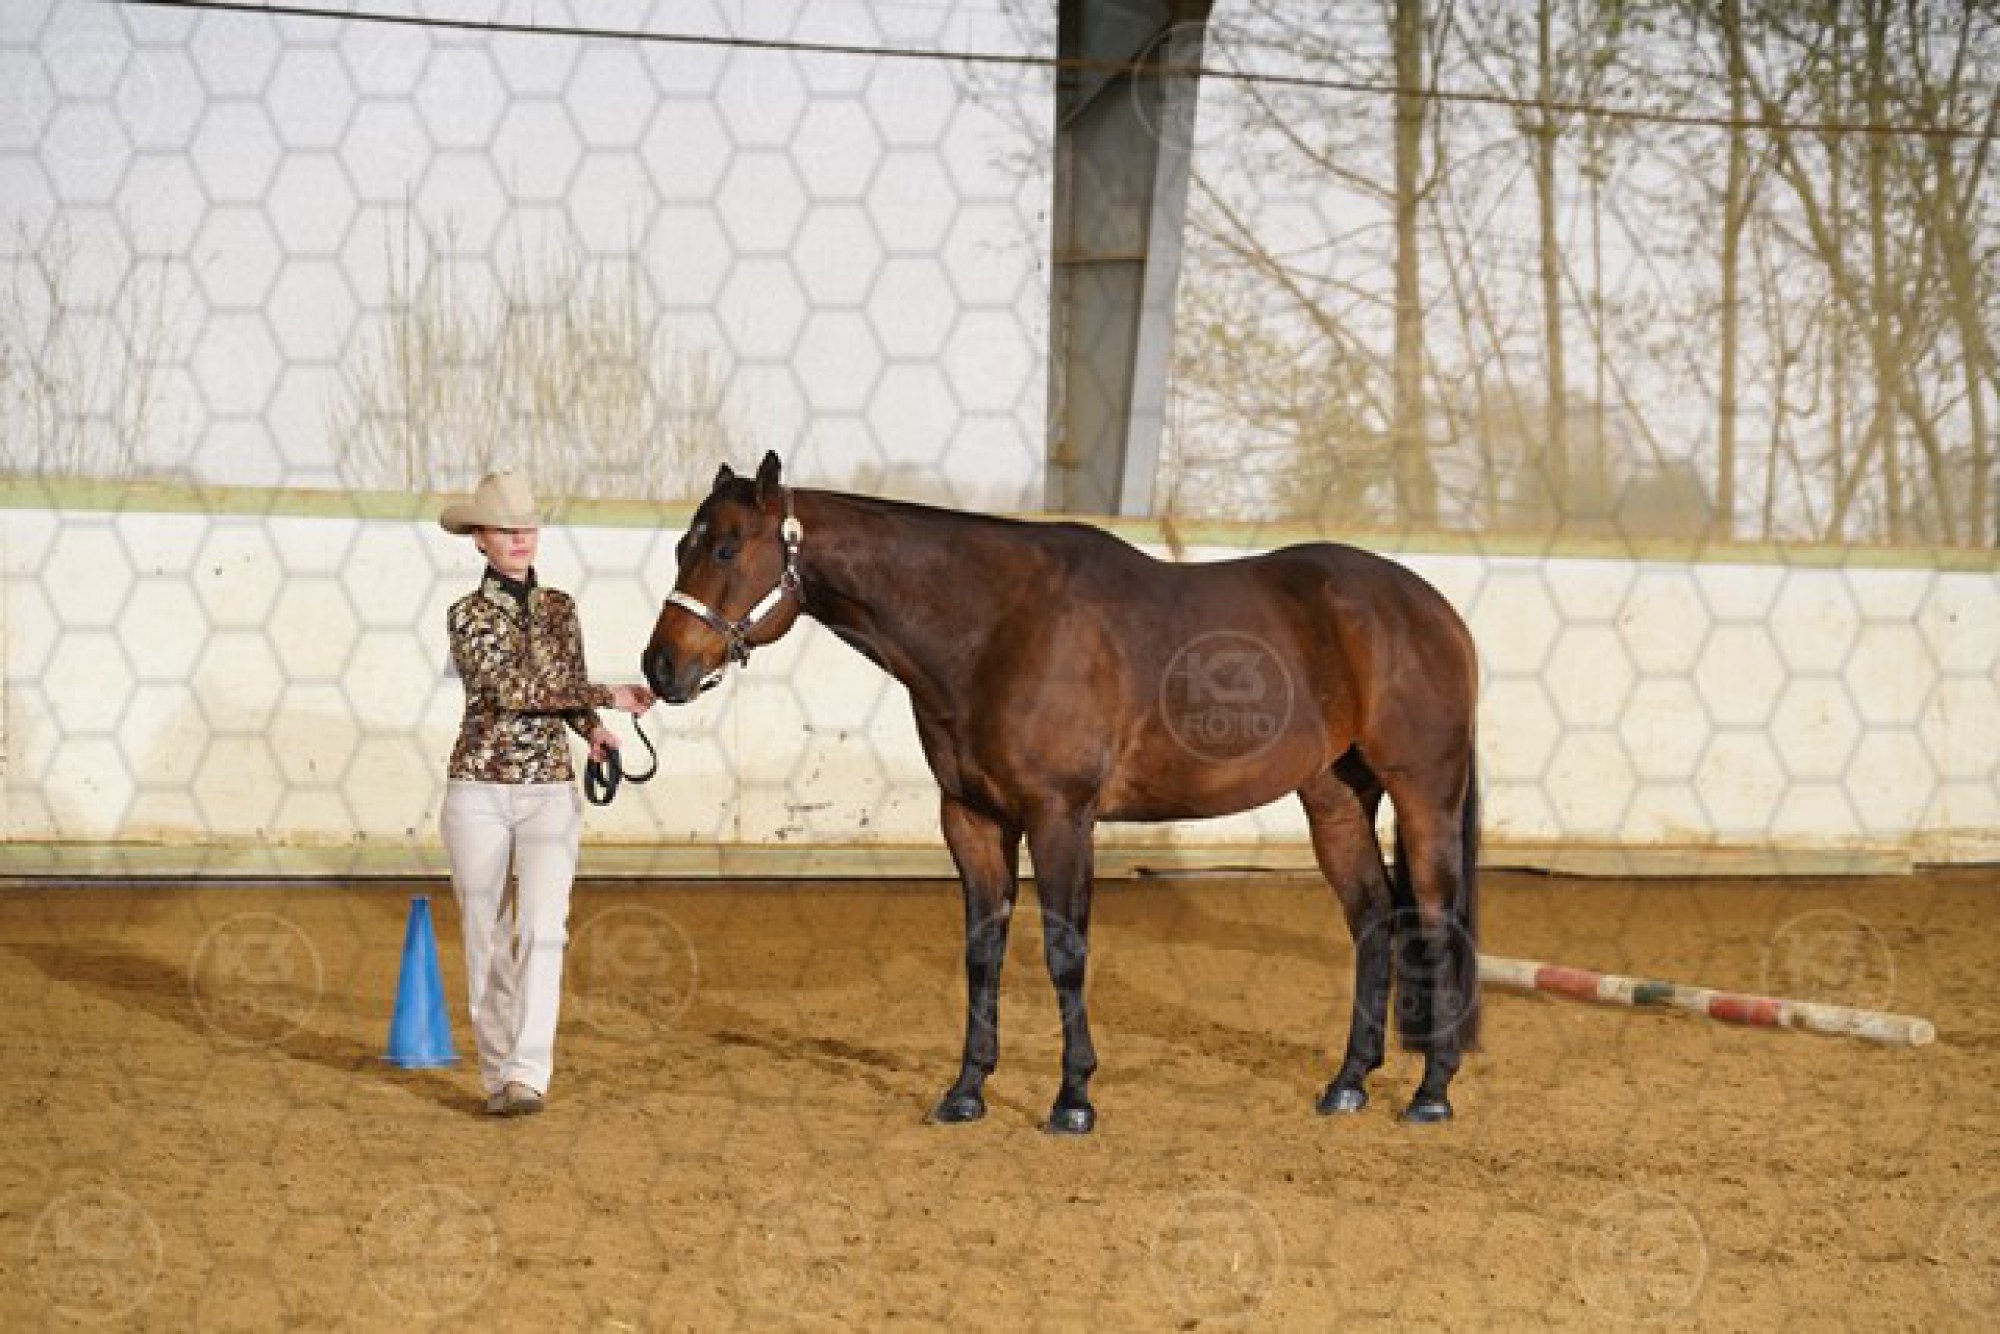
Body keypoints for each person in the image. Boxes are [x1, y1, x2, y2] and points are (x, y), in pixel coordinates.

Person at [438, 468, 652, 1116]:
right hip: (478, 789)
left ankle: (528, 1074)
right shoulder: (467, 615)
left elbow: (563, 689)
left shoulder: (561, 608)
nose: (519, 537)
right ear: (479, 539)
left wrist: (593, 729)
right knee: (486, 933)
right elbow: (509, 690)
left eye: (526, 526)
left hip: (550, 792)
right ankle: (496, 1073)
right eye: (505, 528)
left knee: (542, 929)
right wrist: (607, 695)